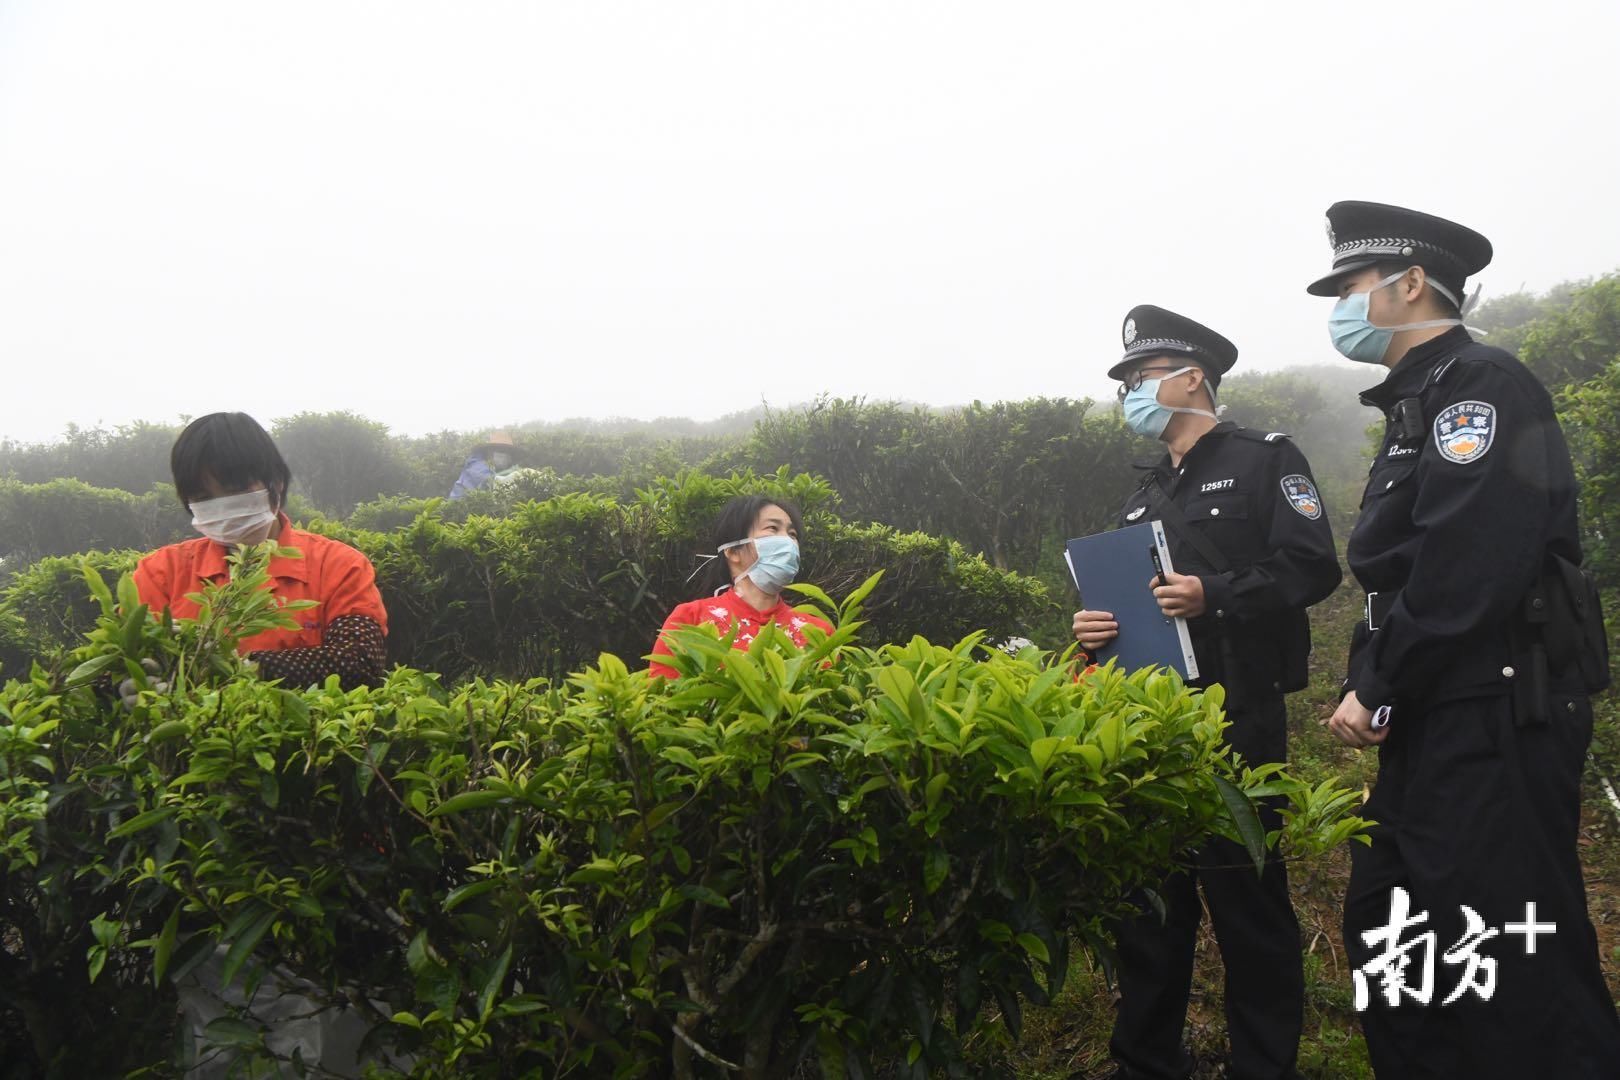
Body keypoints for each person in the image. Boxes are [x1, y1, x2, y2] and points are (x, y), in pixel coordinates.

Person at [1313, 201, 1620, 1076]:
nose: (1337, 304)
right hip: (1438, 712)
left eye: (1349, 285)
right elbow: (1406, 570)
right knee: (1392, 938)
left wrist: (1379, 682)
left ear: (1411, 284)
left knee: (1515, 962)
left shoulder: (1480, 386)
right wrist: (1379, 678)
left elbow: (1467, 564)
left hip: (1496, 710)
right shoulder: (1420, 402)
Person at [1073, 305, 1342, 1080]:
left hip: (1238, 712)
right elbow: (1130, 602)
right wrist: (1092, 631)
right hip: (1149, 723)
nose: (1129, 392)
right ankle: (1147, 1061)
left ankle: (1263, 1065)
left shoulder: (1265, 460)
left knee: (1248, 903)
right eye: (1124, 382)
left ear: (1193, 377)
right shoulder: (1141, 493)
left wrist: (1213, 593)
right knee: (1150, 908)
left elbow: (1312, 566)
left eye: (1141, 377)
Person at [132, 412, 388, 691]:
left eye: (236, 490)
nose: (223, 507)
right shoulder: (161, 572)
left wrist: (229, 669)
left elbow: (359, 661)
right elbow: (114, 661)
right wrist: (124, 683)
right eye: (204, 498)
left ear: (275, 482)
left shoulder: (338, 565)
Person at [649, 495, 832, 679]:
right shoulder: (690, 618)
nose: (788, 541)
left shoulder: (818, 631)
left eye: (792, 534)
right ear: (733, 551)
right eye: (772, 528)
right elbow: (662, 697)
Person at [448, 430, 521, 500]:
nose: (503, 455)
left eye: (506, 451)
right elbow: (489, 480)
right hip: (458, 508)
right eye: (499, 450)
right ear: (489, 451)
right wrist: (513, 473)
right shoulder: (476, 466)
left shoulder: (496, 469)